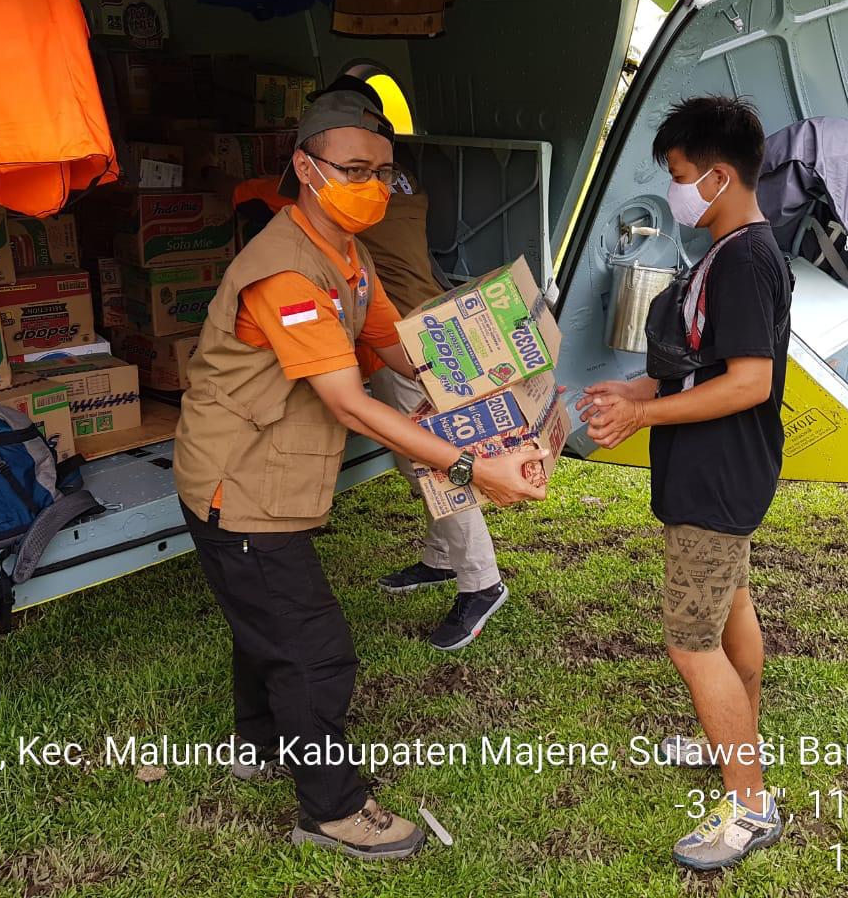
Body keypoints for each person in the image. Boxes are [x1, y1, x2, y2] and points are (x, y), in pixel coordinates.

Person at [173, 77, 547, 861]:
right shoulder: (286, 272)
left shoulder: (348, 255)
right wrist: (473, 467)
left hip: (263, 472)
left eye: (382, 172)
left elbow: (402, 351)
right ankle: (333, 810)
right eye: (353, 170)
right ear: (305, 169)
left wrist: (504, 396)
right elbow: (349, 403)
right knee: (314, 649)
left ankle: (260, 746)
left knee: (266, 626)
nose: (372, 186)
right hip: (239, 484)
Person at [577, 95, 790, 870]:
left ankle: (750, 807)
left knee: (690, 643)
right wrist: (637, 390)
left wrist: (643, 416)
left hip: (716, 475)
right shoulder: (728, 251)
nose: (673, 191)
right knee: (732, 606)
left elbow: (748, 383)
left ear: (719, 176)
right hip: (722, 471)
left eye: (678, 174)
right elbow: (703, 365)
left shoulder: (744, 261)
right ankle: (735, 740)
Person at [356, 150, 509, 651]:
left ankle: (482, 581)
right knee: (425, 459)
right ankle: (441, 559)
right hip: (429, 323)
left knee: (430, 463)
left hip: (399, 338)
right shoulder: (402, 180)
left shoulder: (357, 194)